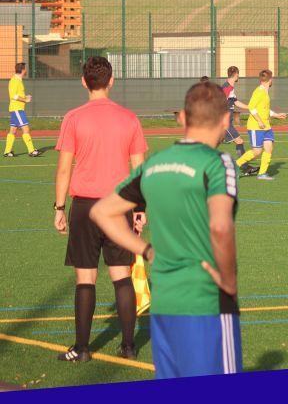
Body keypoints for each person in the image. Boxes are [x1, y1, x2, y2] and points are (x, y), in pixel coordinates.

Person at [90, 81, 241, 378]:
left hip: (165, 304)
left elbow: (101, 211)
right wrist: (229, 282)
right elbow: (221, 225)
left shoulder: (155, 164)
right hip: (205, 300)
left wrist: (146, 250)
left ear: (182, 118)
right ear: (226, 120)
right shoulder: (218, 162)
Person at [52, 56, 148, 362]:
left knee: (85, 279)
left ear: (84, 82)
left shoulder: (73, 118)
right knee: (121, 276)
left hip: (85, 207)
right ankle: (129, 347)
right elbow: (139, 170)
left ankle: (81, 349)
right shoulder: (129, 119)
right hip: (118, 207)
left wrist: (59, 207)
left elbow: (64, 169)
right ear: (111, 81)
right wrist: (139, 208)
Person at [236, 69, 286, 180]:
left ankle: (262, 173)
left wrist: (276, 115)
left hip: (266, 126)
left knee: (269, 148)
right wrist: (259, 121)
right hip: (256, 127)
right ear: (270, 80)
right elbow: (251, 107)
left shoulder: (265, 92)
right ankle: (235, 165)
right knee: (257, 151)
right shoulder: (259, 91)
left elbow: (264, 109)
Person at [5, 61, 39, 157]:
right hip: (17, 109)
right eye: (25, 69)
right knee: (26, 129)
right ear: (23, 70)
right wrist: (25, 99)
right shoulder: (14, 81)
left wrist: (25, 97)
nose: (26, 71)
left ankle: (7, 151)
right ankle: (31, 151)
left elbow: (17, 95)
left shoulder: (18, 80)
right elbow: (13, 96)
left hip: (16, 109)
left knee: (13, 130)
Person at [220, 66, 249, 159]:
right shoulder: (227, 88)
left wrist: (250, 107)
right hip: (225, 124)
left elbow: (236, 102)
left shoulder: (230, 88)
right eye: (238, 74)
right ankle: (244, 164)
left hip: (227, 123)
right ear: (236, 74)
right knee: (239, 141)